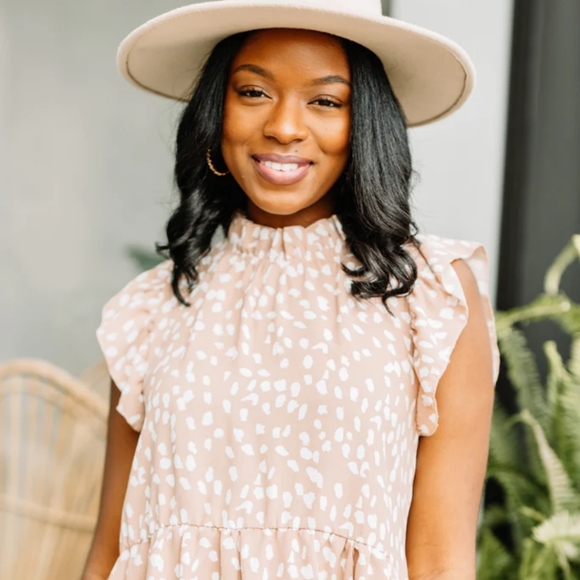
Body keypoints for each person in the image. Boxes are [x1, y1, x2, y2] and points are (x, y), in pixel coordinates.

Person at [82, 1, 500, 579]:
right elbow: (111, 550)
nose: (283, 126)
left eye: (325, 101)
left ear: (365, 125)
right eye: (253, 92)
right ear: (216, 112)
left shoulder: (432, 294)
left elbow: (441, 558)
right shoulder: (153, 306)